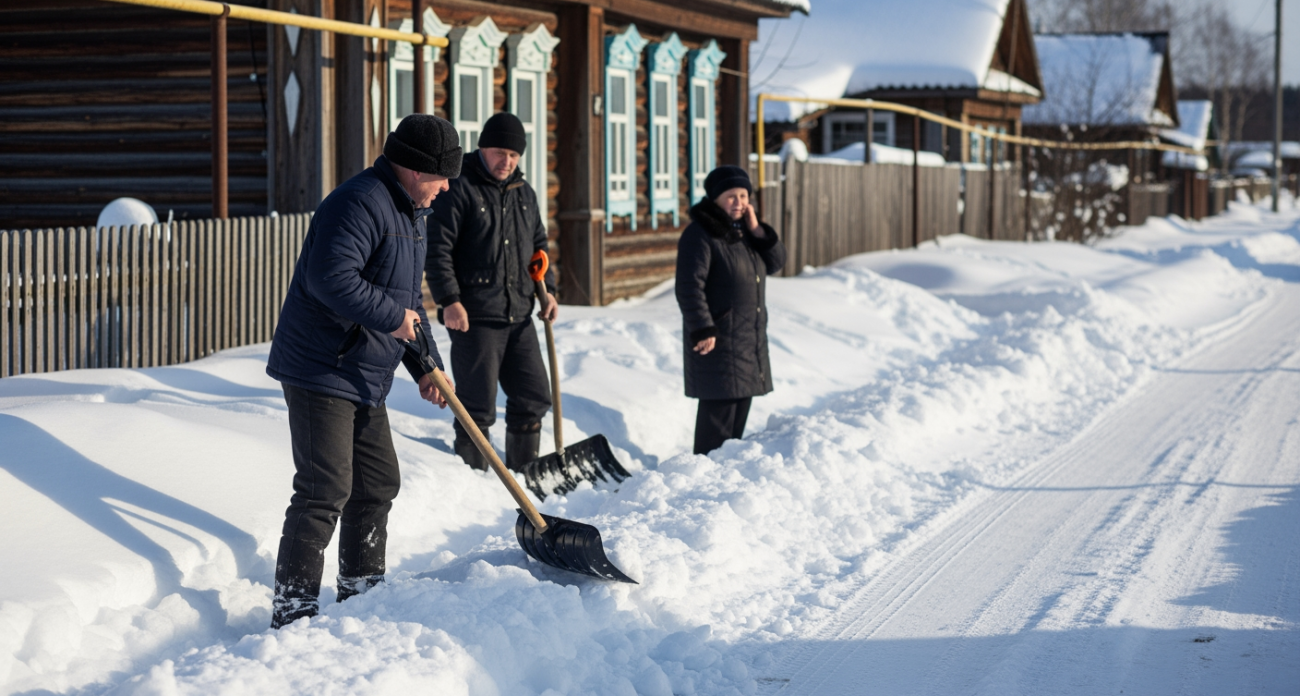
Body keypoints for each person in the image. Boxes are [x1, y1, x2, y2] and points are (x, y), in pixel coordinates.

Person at [264, 114, 461, 629]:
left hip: (362, 371)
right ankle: (294, 610)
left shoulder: (410, 212)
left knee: (377, 483)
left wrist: (427, 365)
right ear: (418, 170)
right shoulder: (359, 202)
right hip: (321, 366)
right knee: (323, 490)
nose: (445, 190)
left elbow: (406, 301)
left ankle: (362, 594)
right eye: (443, 178)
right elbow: (331, 279)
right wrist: (396, 320)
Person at [425, 112, 557, 473]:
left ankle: (524, 476)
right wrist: (450, 300)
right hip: (475, 317)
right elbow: (437, 249)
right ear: (482, 147)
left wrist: (550, 291)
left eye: (514, 156)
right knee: (476, 406)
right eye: (500, 152)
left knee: (534, 397)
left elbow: (539, 248)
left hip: (519, 315)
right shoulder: (459, 188)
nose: (507, 161)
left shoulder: (524, 194)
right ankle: (474, 483)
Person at [675, 165, 786, 455]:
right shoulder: (700, 235)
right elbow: (689, 286)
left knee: (735, 427)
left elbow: (776, 263)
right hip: (719, 341)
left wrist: (757, 229)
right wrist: (703, 327)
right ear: (715, 199)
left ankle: (720, 482)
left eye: (743, 195)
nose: (739, 202)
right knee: (717, 428)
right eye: (731, 196)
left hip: (747, 341)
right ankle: (702, 482)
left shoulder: (745, 234)